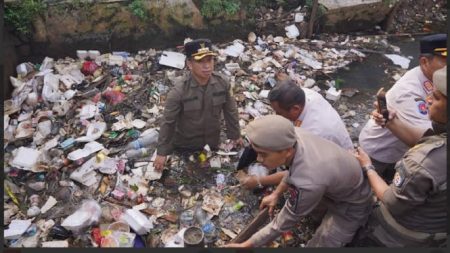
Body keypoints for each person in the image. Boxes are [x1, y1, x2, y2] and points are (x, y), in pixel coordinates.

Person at [225, 115, 373, 247]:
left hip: (353, 204)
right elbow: (293, 170)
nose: (259, 159)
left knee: (323, 242)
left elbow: (283, 222)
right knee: (315, 215)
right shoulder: (293, 135)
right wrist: (276, 194)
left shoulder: (308, 181)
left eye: (263, 154)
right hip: (336, 184)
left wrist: (248, 244)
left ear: (287, 151)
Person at [352, 66, 447, 247]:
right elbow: (430, 137)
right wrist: (391, 122)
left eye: (435, 97)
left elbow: (390, 201)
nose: (427, 99)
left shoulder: (424, 162)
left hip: (404, 235)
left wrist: (368, 167)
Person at [358, 33, 447, 181]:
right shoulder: (409, 91)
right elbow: (424, 139)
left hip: (401, 151)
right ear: (425, 62)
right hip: (380, 151)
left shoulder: (438, 81)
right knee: (366, 185)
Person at [239, 80, 353, 189]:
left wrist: (259, 181)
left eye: (279, 113)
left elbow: (299, 171)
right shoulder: (303, 95)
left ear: (295, 109)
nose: (276, 115)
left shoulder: (315, 132)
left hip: (335, 169)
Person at [154, 39, 241, 171]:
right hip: (185, 146)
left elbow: (231, 111)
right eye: (200, 61)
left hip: (212, 144)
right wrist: (162, 153)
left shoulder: (222, 83)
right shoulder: (180, 91)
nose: (207, 66)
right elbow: (168, 122)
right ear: (189, 64)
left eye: (209, 60)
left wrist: (235, 136)